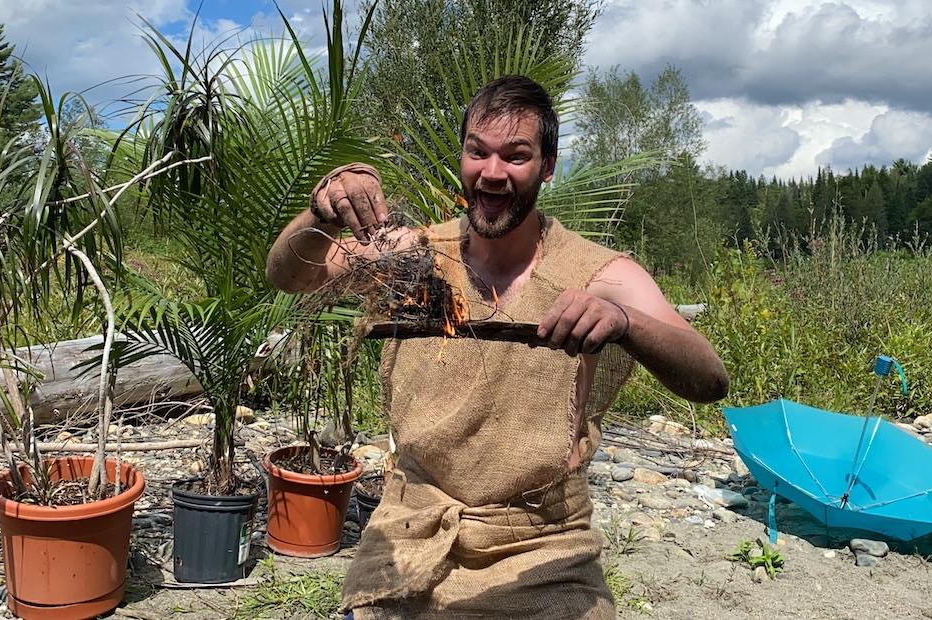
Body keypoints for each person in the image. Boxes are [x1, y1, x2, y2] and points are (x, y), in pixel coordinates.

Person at [267, 75, 728, 619]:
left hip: (542, 547)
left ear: (548, 166)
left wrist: (624, 320)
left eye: (516, 156)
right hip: (414, 530)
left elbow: (709, 378)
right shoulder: (414, 256)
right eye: (477, 152)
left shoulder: (595, 273)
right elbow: (288, 275)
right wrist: (320, 211)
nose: (491, 173)